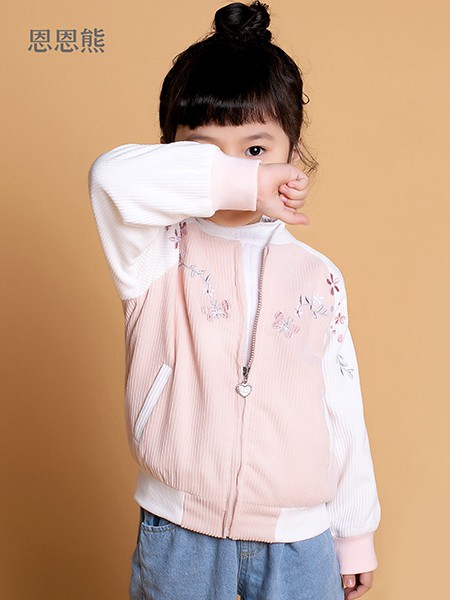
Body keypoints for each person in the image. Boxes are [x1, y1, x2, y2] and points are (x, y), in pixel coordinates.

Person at [88, 2, 381, 599]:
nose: (237, 171)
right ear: (170, 153)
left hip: (301, 537)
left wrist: (354, 533)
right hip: (181, 530)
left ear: (292, 150)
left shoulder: (318, 275)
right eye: (203, 153)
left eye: (255, 151)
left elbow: (342, 407)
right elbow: (108, 177)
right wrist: (244, 181)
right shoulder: (153, 251)